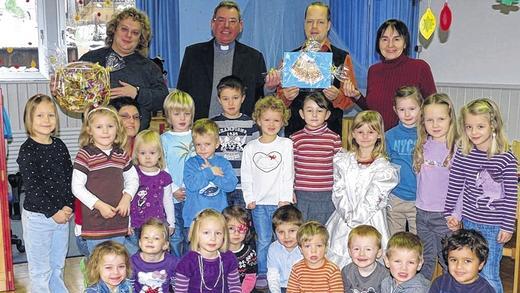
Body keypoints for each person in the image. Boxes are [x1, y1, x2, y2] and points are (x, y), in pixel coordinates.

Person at [444, 98, 518, 293]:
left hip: (494, 227)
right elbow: (455, 184)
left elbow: (511, 195)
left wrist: (507, 225)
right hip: (469, 221)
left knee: (489, 272)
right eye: (469, 127)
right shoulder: (463, 152)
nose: (473, 132)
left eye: (480, 126)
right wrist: (451, 213)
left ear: (493, 126)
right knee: (471, 272)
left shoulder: (505, 157)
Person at [177, 1, 278, 120]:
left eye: (232, 21)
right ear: (212, 24)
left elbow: (262, 99)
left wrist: (270, 88)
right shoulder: (193, 54)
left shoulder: (254, 58)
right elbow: (181, 95)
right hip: (201, 130)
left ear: (241, 26)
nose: (226, 26)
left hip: (243, 132)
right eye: (221, 20)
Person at [326, 110, 398, 268]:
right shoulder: (343, 161)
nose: (365, 136)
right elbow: (338, 191)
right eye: (360, 131)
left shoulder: (384, 168)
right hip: (344, 218)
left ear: (379, 135)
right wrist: (348, 216)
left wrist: (357, 219)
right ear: (353, 134)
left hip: (371, 219)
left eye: (371, 132)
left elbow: (374, 197)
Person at [17, 94, 74, 292]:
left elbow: (70, 178)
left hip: (62, 216)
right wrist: (54, 212)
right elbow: (34, 188)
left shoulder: (59, 146)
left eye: (51, 115)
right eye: (40, 115)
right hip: (38, 219)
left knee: (57, 267)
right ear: (29, 119)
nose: (46, 120)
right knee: (41, 271)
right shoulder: (27, 150)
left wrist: (68, 205)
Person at [278, 1, 360, 137]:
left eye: (320, 22)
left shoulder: (342, 58)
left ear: (328, 25)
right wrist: (285, 97)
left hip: (330, 136)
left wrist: (337, 97)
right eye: (310, 21)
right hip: (295, 134)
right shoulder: (290, 59)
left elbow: (350, 102)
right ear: (304, 24)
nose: (314, 27)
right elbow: (278, 100)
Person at [78, 7, 168, 130]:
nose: (128, 35)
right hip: (98, 138)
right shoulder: (91, 59)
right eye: (124, 29)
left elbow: (163, 99)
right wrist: (60, 89)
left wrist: (136, 93)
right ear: (114, 30)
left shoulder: (149, 67)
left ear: (141, 38)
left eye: (135, 32)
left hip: (135, 141)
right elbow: (75, 93)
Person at [241, 95, 294, 288]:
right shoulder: (250, 147)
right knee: (263, 240)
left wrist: (285, 198)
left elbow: (288, 173)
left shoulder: (286, 144)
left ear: (283, 121)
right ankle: (263, 273)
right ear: (258, 120)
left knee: (283, 240)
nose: (271, 124)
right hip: (259, 204)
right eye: (267, 119)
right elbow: (246, 176)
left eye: (276, 120)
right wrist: (249, 198)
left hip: (279, 203)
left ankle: (285, 273)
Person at [71, 107, 139, 253]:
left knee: (118, 263)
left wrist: (127, 198)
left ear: (117, 128)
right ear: (89, 130)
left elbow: (133, 179)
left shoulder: (121, 155)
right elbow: (77, 187)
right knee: (99, 267)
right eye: (99, 127)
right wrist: (99, 205)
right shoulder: (85, 155)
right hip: (95, 224)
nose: (105, 131)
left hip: (119, 222)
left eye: (110, 126)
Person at [349, 19, 436, 130]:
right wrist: (357, 96)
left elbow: (433, 106)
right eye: (385, 39)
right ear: (378, 43)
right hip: (378, 141)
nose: (390, 45)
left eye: (396, 39)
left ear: (405, 43)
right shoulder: (374, 71)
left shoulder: (420, 67)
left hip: (410, 141)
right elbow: (372, 111)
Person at [413, 93, 459, 280]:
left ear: (451, 119)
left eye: (441, 119)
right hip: (422, 214)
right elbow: (420, 183)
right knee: (426, 259)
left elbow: (461, 187)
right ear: (423, 122)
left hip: (445, 216)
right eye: (430, 120)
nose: (435, 124)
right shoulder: (422, 147)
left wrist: (456, 214)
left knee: (448, 259)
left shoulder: (457, 149)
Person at [290, 92, 341, 224]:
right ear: (302, 114)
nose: (314, 115)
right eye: (309, 110)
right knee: (302, 232)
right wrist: (290, 190)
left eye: (319, 110)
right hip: (301, 194)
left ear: (327, 115)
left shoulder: (334, 138)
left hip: (326, 195)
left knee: (323, 233)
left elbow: (339, 169)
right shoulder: (295, 139)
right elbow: (290, 169)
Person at [182, 118, 238, 235]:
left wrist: (214, 177)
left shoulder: (223, 163)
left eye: (207, 144)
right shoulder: (191, 163)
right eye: (198, 144)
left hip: (219, 218)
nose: (202, 148)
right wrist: (210, 172)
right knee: (194, 252)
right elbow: (191, 185)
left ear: (217, 143)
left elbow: (231, 185)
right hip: (195, 219)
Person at [211, 75, 260, 207]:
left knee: (241, 224)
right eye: (225, 99)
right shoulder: (212, 124)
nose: (231, 103)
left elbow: (256, 155)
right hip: (219, 184)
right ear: (219, 100)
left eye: (235, 98)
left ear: (243, 98)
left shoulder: (251, 124)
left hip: (242, 185)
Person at [127, 130, 175, 254]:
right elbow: (127, 198)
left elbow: (168, 201)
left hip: (158, 224)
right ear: (136, 154)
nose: (148, 157)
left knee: (159, 253)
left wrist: (171, 223)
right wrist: (127, 222)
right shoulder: (133, 174)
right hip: (136, 224)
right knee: (137, 255)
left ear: (159, 154)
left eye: (152, 153)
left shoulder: (164, 177)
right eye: (143, 153)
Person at [161, 90, 196, 257]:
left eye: (186, 114)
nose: (182, 118)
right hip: (172, 196)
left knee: (192, 235)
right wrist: (174, 188)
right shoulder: (164, 139)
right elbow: (162, 166)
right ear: (168, 116)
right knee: (175, 237)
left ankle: (192, 271)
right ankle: (176, 274)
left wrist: (190, 187)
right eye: (177, 114)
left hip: (193, 196)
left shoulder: (197, 136)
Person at [175, 208, 241, 292]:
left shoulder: (229, 258)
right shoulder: (187, 262)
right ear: (195, 234)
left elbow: (234, 285)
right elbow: (180, 291)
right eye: (206, 232)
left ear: (224, 235)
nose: (213, 238)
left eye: (218, 233)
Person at [385, 86, 422, 236]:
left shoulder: (426, 135)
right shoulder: (389, 135)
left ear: (421, 107)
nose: (407, 114)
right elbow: (384, 167)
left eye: (412, 108)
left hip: (419, 199)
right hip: (395, 196)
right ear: (395, 110)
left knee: (418, 241)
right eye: (402, 109)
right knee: (394, 239)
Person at [430, 229, 494, 293]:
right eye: (454, 260)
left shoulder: (485, 290)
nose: (459, 266)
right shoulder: (440, 283)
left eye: (467, 261)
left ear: (480, 264)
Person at [286, 221, 344, 292]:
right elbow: (291, 291)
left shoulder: (333, 270)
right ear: (301, 249)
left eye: (319, 246)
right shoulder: (296, 269)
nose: (313, 251)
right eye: (307, 246)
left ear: (325, 247)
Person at [130, 218, 179, 293]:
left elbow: (178, 287)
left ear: (165, 245)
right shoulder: (132, 262)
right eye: (146, 237)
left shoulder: (172, 262)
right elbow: (129, 287)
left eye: (156, 238)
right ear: (140, 243)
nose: (150, 241)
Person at [266, 205, 304, 293]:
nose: (286, 236)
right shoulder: (273, 248)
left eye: (292, 231)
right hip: (280, 286)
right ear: (275, 232)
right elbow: (273, 276)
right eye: (281, 232)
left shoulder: (306, 247)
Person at [342, 225, 389, 293]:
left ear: (378, 252)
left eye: (368, 249)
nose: (361, 254)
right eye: (356, 249)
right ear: (349, 252)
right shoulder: (346, 272)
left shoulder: (385, 275)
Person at [223, 205, 258, 293]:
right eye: (231, 228)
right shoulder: (217, 252)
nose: (236, 233)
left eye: (241, 228)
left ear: (247, 230)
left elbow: (250, 278)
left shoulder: (250, 253)